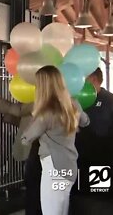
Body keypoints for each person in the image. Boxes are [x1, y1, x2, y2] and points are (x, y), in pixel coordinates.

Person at [21, 65, 89, 215]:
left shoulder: (46, 113)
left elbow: (26, 138)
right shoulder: (74, 104)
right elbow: (86, 121)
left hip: (54, 170)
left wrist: (33, 118)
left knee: (51, 211)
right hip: (70, 168)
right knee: (62, 210)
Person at [74, 67, 113, 193]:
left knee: (97, 196)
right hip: (78, 158)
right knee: (78, 197)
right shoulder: (77, 101)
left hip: (101, 159)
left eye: (82, 79)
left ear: (93, 79)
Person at [0, 96, 42, 215]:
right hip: (36, 154)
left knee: (36, 195)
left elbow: (21, 110)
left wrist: (5, 106)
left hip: (41, 155)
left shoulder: (45, 99)